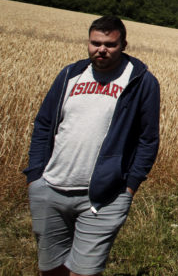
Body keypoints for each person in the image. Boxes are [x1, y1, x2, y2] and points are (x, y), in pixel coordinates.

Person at [23, 16, 161, 276]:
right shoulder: (70, 74)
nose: (101, 50)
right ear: (88, 42)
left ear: (123, 45)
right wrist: (35, 176)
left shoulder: (141, 81)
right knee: (50, 269)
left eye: (110, 44)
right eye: (95, 43)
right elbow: (43, 124)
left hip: (105, 196)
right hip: (50, 187)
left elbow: (148, 139)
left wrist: (129, 187)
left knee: (84, 272)